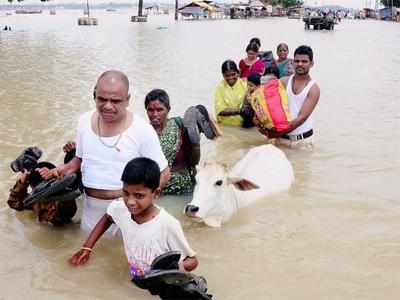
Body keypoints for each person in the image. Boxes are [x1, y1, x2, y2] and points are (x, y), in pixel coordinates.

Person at [38, 70, 170, 234]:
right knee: (92, 254)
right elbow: (78, 160)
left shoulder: (142, 129)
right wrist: (56, 171)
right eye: (102, 99)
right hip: (90, 210)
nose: (107, 106)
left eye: (115, 101)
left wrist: (141, 203)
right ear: (95, 95)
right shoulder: (84, 122)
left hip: (127, 212)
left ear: (127, 100)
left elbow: (164, 172)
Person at [69, 157, 198, 276]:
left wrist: (163, 272)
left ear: (156, 193)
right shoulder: (121, 209)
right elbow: (108, 217)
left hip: (160, 283)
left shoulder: (167, 224)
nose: (130, 201)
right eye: (126, 193)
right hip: (136, 276)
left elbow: (192, 261)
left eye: (139, 195)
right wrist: (87, 247)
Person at [145, 89, 219, 195]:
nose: (155, 114)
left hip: (185, 188)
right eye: (150, 110)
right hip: (159, 190)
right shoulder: (143, 133)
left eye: (159, 110)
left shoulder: (180, 126)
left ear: (168, 109)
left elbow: (194, 162)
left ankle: (197, 136)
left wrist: (195, 144)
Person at [259, 45, 320, 149]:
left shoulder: (313, 89)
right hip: (281, 139)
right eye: (297, 61)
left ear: (311, 64)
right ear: (292, 62)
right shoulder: (284, 81)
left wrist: (273, 133)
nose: (300, 64)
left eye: (304, 61)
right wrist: (261, 122)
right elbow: (267, 103)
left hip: (302, 142)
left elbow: (301, 118)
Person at [7, 161, 78, 226]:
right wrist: (22, 183)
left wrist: (22, 183)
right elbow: (14, 203)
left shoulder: (63, 203)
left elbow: (69, 205)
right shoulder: (35, 202)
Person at [214, 60, 252, 127]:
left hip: (244, 126)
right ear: (223, 75)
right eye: (227, 75)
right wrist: (240, 111)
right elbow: (220, 111)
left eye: (233, 74)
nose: (230, 78)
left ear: (238, 73)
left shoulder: (245, 84)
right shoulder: (220, 88)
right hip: (225, 127)